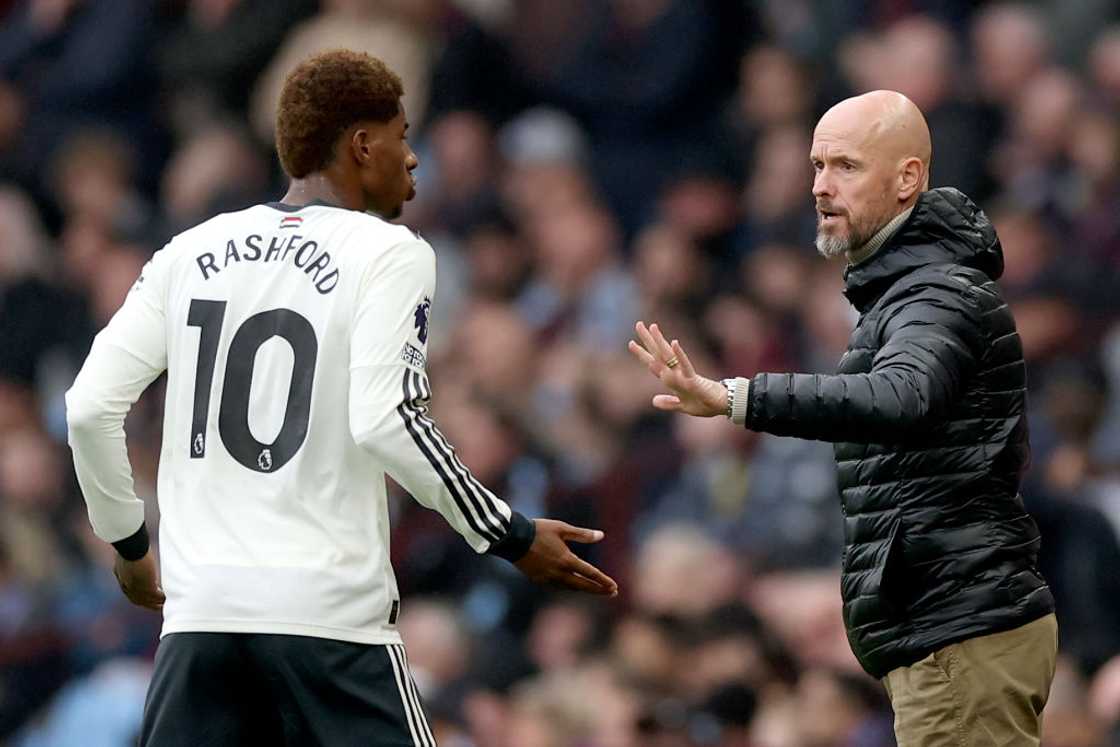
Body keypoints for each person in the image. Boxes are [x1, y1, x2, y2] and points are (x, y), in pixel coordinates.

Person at [65, 49, 618, 747]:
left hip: (199, 622)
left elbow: (88, 406)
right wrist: (507, 532)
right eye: (403, 135)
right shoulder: (390, 252)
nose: (413, 159)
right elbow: (388, 419)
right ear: (362, 145)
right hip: (326, 624)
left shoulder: (188, 252)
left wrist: (127, 541)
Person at [629, 90, 1058, 745]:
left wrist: (736, 398)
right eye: (816, 166)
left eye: (846, 167)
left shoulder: (935, 291)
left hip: (960, 626)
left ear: (908, 177)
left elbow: (901, 396)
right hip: (946, 623)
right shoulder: (907, 292)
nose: (821, 187)